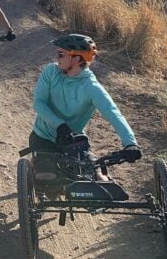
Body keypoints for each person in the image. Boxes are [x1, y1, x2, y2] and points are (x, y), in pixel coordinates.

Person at [28, 33, 141, 180]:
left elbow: (113, 113)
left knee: (97, 179)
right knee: (47, 179)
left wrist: (130, 143)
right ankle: (34, 167)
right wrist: (60, 125)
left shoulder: (91, 87)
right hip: (43, 137)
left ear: (75, 59)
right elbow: (39, 103)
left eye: (61, 54)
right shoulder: (51, 71)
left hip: (73, 142)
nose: (57, 58)